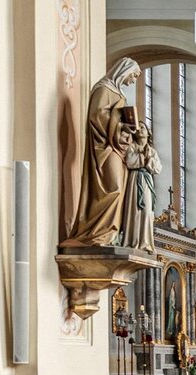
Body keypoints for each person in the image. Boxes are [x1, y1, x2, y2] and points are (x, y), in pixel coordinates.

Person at [66, 57, 141, 247]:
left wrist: (127, 129)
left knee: (119, 190)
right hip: (104, 147)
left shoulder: (119, 93)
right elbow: (96, 115)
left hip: (117, 147)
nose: (133, 81)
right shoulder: (103, 89)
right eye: (133, 76)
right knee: (113, 188)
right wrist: (120, 125)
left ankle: (109, 234)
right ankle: (97, 233)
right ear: (124, 70)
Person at [120, 122, 161, 253]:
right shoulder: (132, 147)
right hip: (135, 179)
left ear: (148, 132)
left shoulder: (152, 151)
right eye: (137, 128)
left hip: (146, 181)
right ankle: (132, 241)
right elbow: (129, 161)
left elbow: (158, 168)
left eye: (142, 127)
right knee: (135, 210)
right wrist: (144, 158)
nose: (139, 130)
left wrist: (147, 159)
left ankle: (145, 242)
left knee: (147, 211)